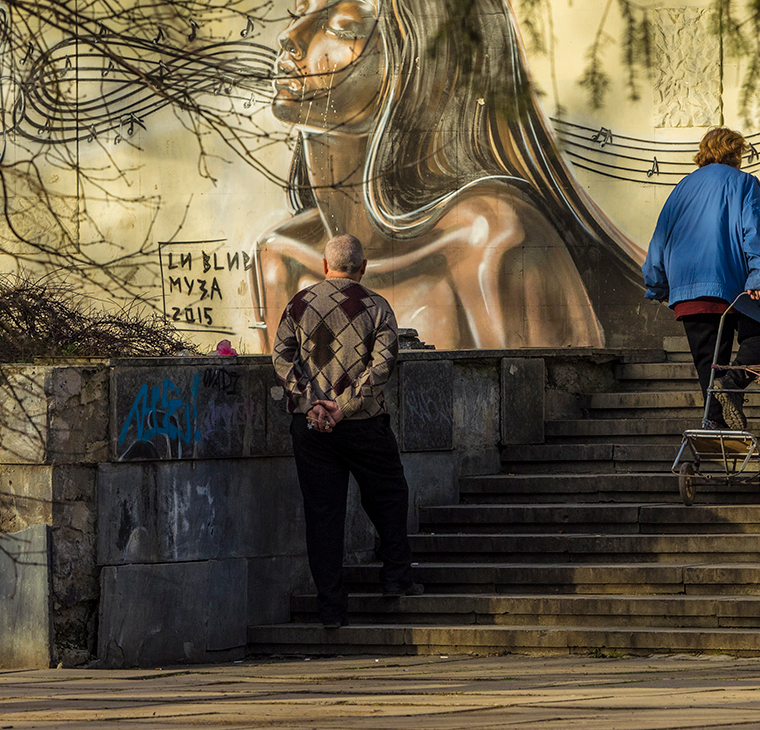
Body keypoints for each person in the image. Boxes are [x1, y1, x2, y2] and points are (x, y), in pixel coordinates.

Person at [252, 0, 652, 351]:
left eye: (343, 28)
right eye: (298, 12)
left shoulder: (491, 240)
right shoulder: (279, 257)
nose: (290, 36)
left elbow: (543, 410)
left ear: (417, 66)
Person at [272, 233, 422, 629]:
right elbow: (382, 366)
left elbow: (282, 358)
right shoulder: (376, 306)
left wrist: (311, 402)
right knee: (389, 497)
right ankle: (395, 579)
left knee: (323, 514)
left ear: (324, 266)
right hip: (364, 425)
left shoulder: (298, 305)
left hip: (311, 426)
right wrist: (345, 407)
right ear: (363, 267)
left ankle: (332, 610)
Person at [642, 127, 760, 430]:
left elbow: (660, 238)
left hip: (688, 288)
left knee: (708, 362)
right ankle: (732, 383)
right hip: (730, 284)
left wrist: (657, 283)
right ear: (736, 153)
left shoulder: (681, 188)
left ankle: (714, 424)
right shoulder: (745, 183)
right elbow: (756, 233)